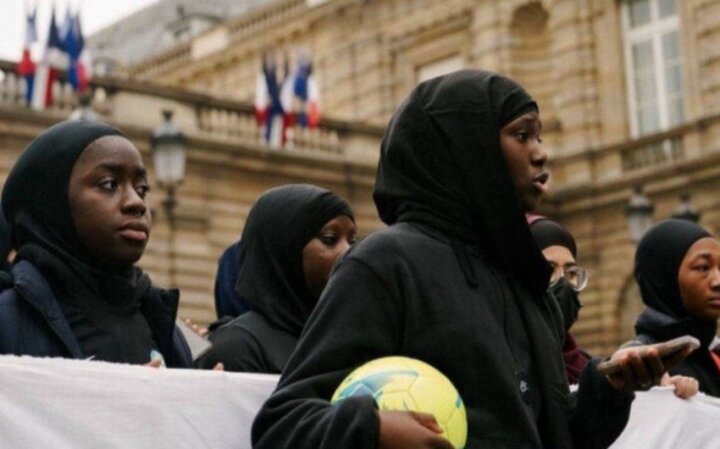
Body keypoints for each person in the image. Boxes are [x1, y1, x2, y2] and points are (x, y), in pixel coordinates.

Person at [251, 70, 693, 449]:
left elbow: (548, 437)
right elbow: (282, 424)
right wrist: (372, 428)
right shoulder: (386, 262)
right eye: (521, 135)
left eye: (539, 136)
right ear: (467, 147)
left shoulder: (527, 281)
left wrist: (608, 390)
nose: (541, 152)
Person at [0, 120, 191, 367]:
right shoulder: (7, 323)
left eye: (142, 188)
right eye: (109, 184)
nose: (137, 203)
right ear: (52, 203)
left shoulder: (165, 328)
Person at [195, 184, 356, 373]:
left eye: (352, 241)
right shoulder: (237, 348)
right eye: (330, 238)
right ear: (287, 251)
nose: (349, 252)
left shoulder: (348, 342)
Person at [628, 219, 720, 396]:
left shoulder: (713, 352)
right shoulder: (640, 364)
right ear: (664, 278)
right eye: (703, 268)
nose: (718, 281)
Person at [527, 215, 590, 383]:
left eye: (571, 272)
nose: (563, 282)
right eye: (549, 269)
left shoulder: (588, 370)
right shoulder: (506, 365)